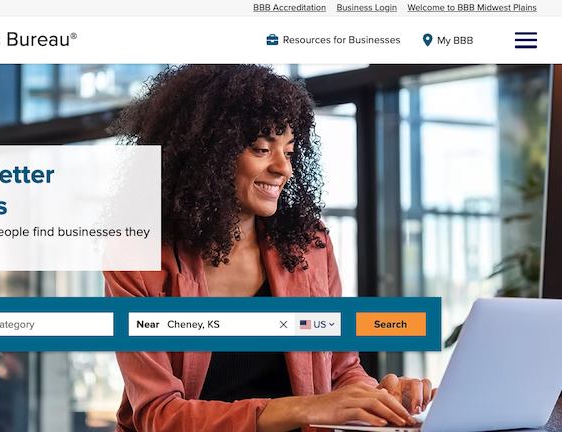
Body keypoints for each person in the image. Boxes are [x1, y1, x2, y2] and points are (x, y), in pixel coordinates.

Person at [103, 64, 435, 432]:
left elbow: (341, 370)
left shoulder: (310, 244)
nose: (284, 169)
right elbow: (159, 414)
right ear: (206, 155)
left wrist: (382, 399)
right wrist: (306, 409)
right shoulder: (137, 259)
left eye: (289, 152)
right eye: (262, 149)